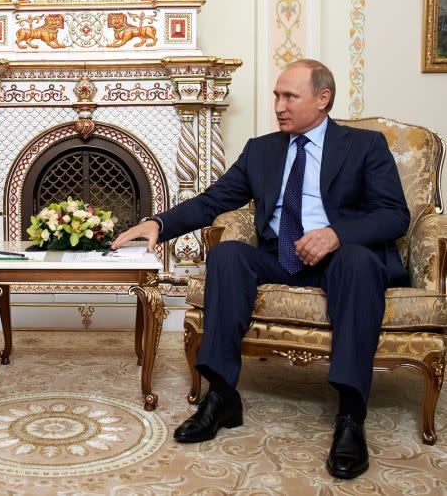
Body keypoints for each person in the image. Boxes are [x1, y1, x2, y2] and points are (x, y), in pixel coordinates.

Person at [112, 59, 409, 480]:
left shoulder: (364, 146)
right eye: (276, 96)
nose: (279, 106)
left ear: (323, 99)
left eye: (290, 97)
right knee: (227, 255)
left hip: (341, 262)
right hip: (280, 257)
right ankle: (221, 396)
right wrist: (159, 223)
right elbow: (214, 200)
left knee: (359, 261)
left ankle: (350, 414)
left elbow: (395, 215)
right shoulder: (262, 150)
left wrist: (336, 234)